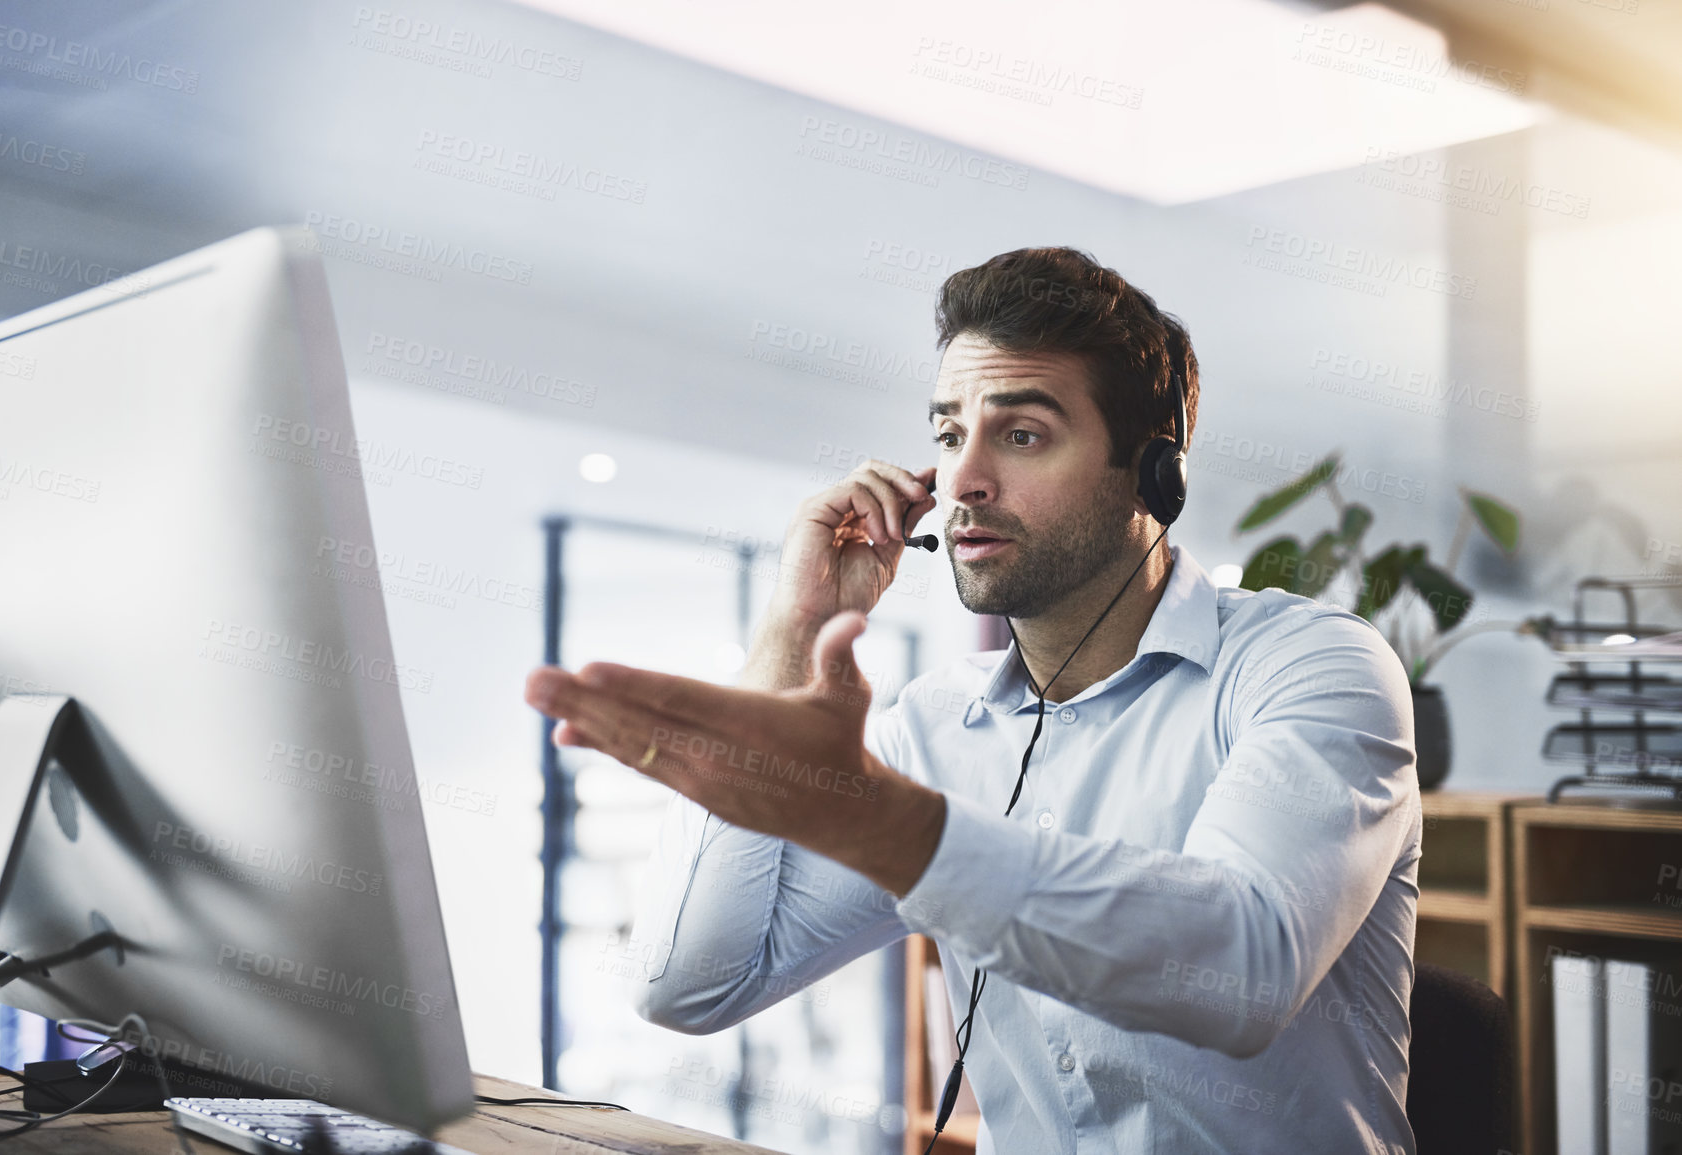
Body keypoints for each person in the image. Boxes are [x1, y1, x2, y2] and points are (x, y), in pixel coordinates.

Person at [525, 247, 1421, 1154]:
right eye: (950, 434)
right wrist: (791, 636)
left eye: (1021, 434)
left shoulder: (1309, 666)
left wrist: (893, 828)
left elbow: (1239, 969)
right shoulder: (932, 728)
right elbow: (690, 984)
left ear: (1154, 476)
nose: (961, 481)